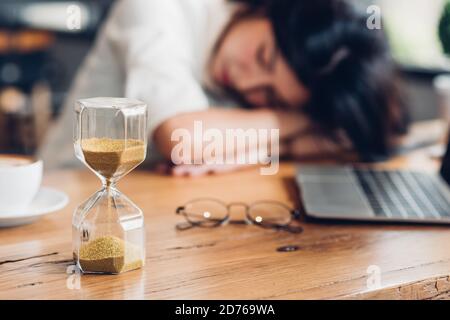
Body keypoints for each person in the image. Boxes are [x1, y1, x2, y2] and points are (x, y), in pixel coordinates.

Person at [39, 0, 408, 175]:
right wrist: (296, 120)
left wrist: (248, 150)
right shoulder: (157, 8)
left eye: (271, 96)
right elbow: (183, 141)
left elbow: (339, 139)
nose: (247, 84)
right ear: (265, 9)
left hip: (150, 204)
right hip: (67, 192)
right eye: (264, 57)